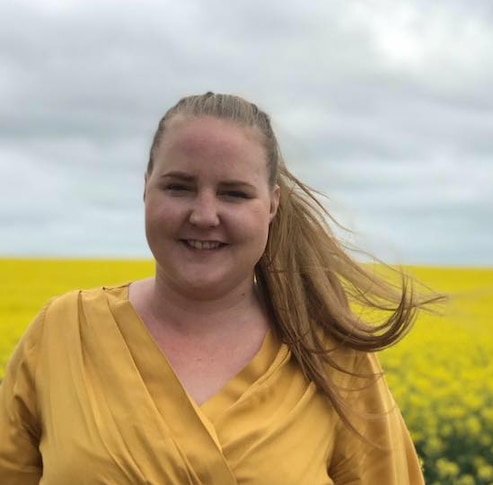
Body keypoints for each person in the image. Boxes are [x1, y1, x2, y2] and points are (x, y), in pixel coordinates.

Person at [0, 92, 442, 484]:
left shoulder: (332, 355)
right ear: (146, 190)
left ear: (272, 205)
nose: (204, 215)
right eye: (179, 187)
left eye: (233, 194)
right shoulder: (62, 333)